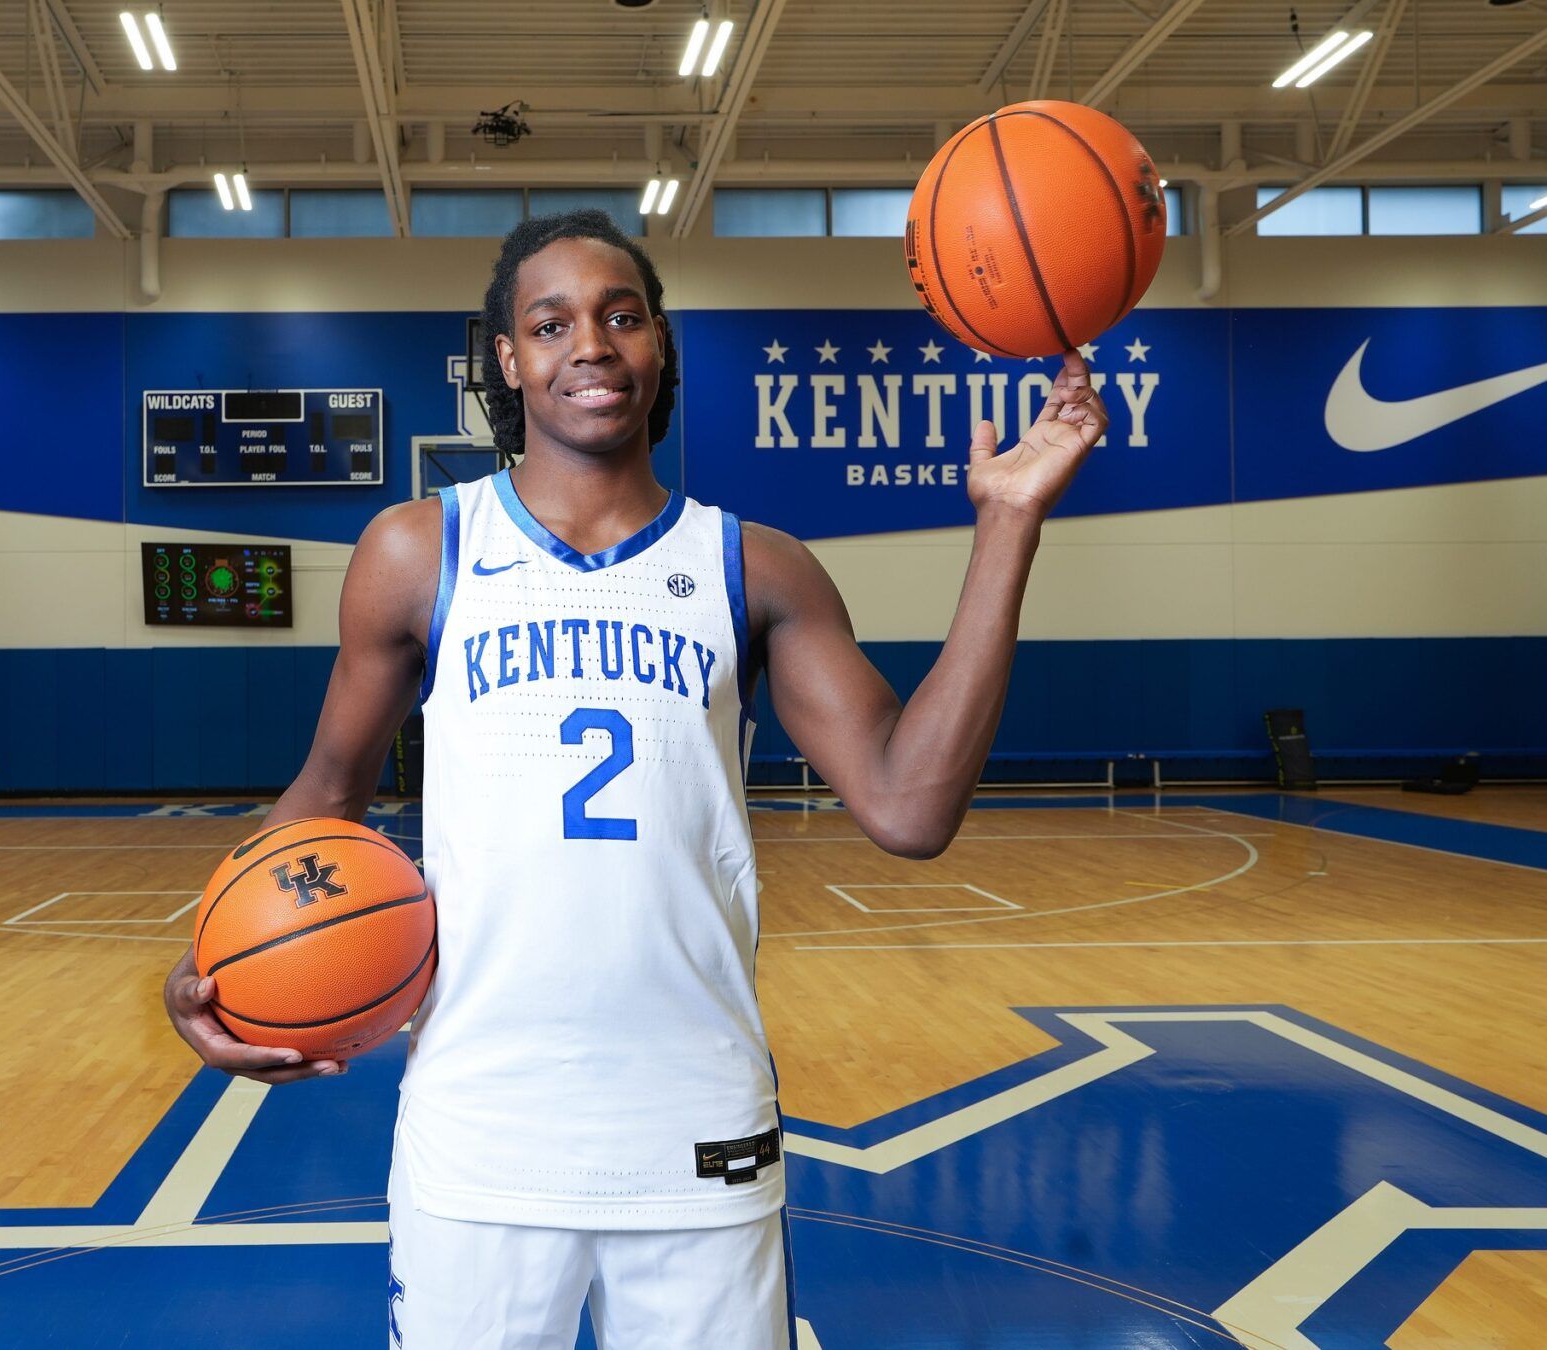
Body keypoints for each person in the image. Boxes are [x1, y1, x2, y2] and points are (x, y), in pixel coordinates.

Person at [163, 209, 1108, 1349]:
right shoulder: (420, 551)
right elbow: (325, 790)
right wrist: (218, 955)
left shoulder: (751, 564)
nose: (590, 346)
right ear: (507, 359)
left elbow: (911, 808)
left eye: (622, 316)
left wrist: (1007, 524)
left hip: (696, 1123)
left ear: (659, 345)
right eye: (550, 323)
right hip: (480, 1126)